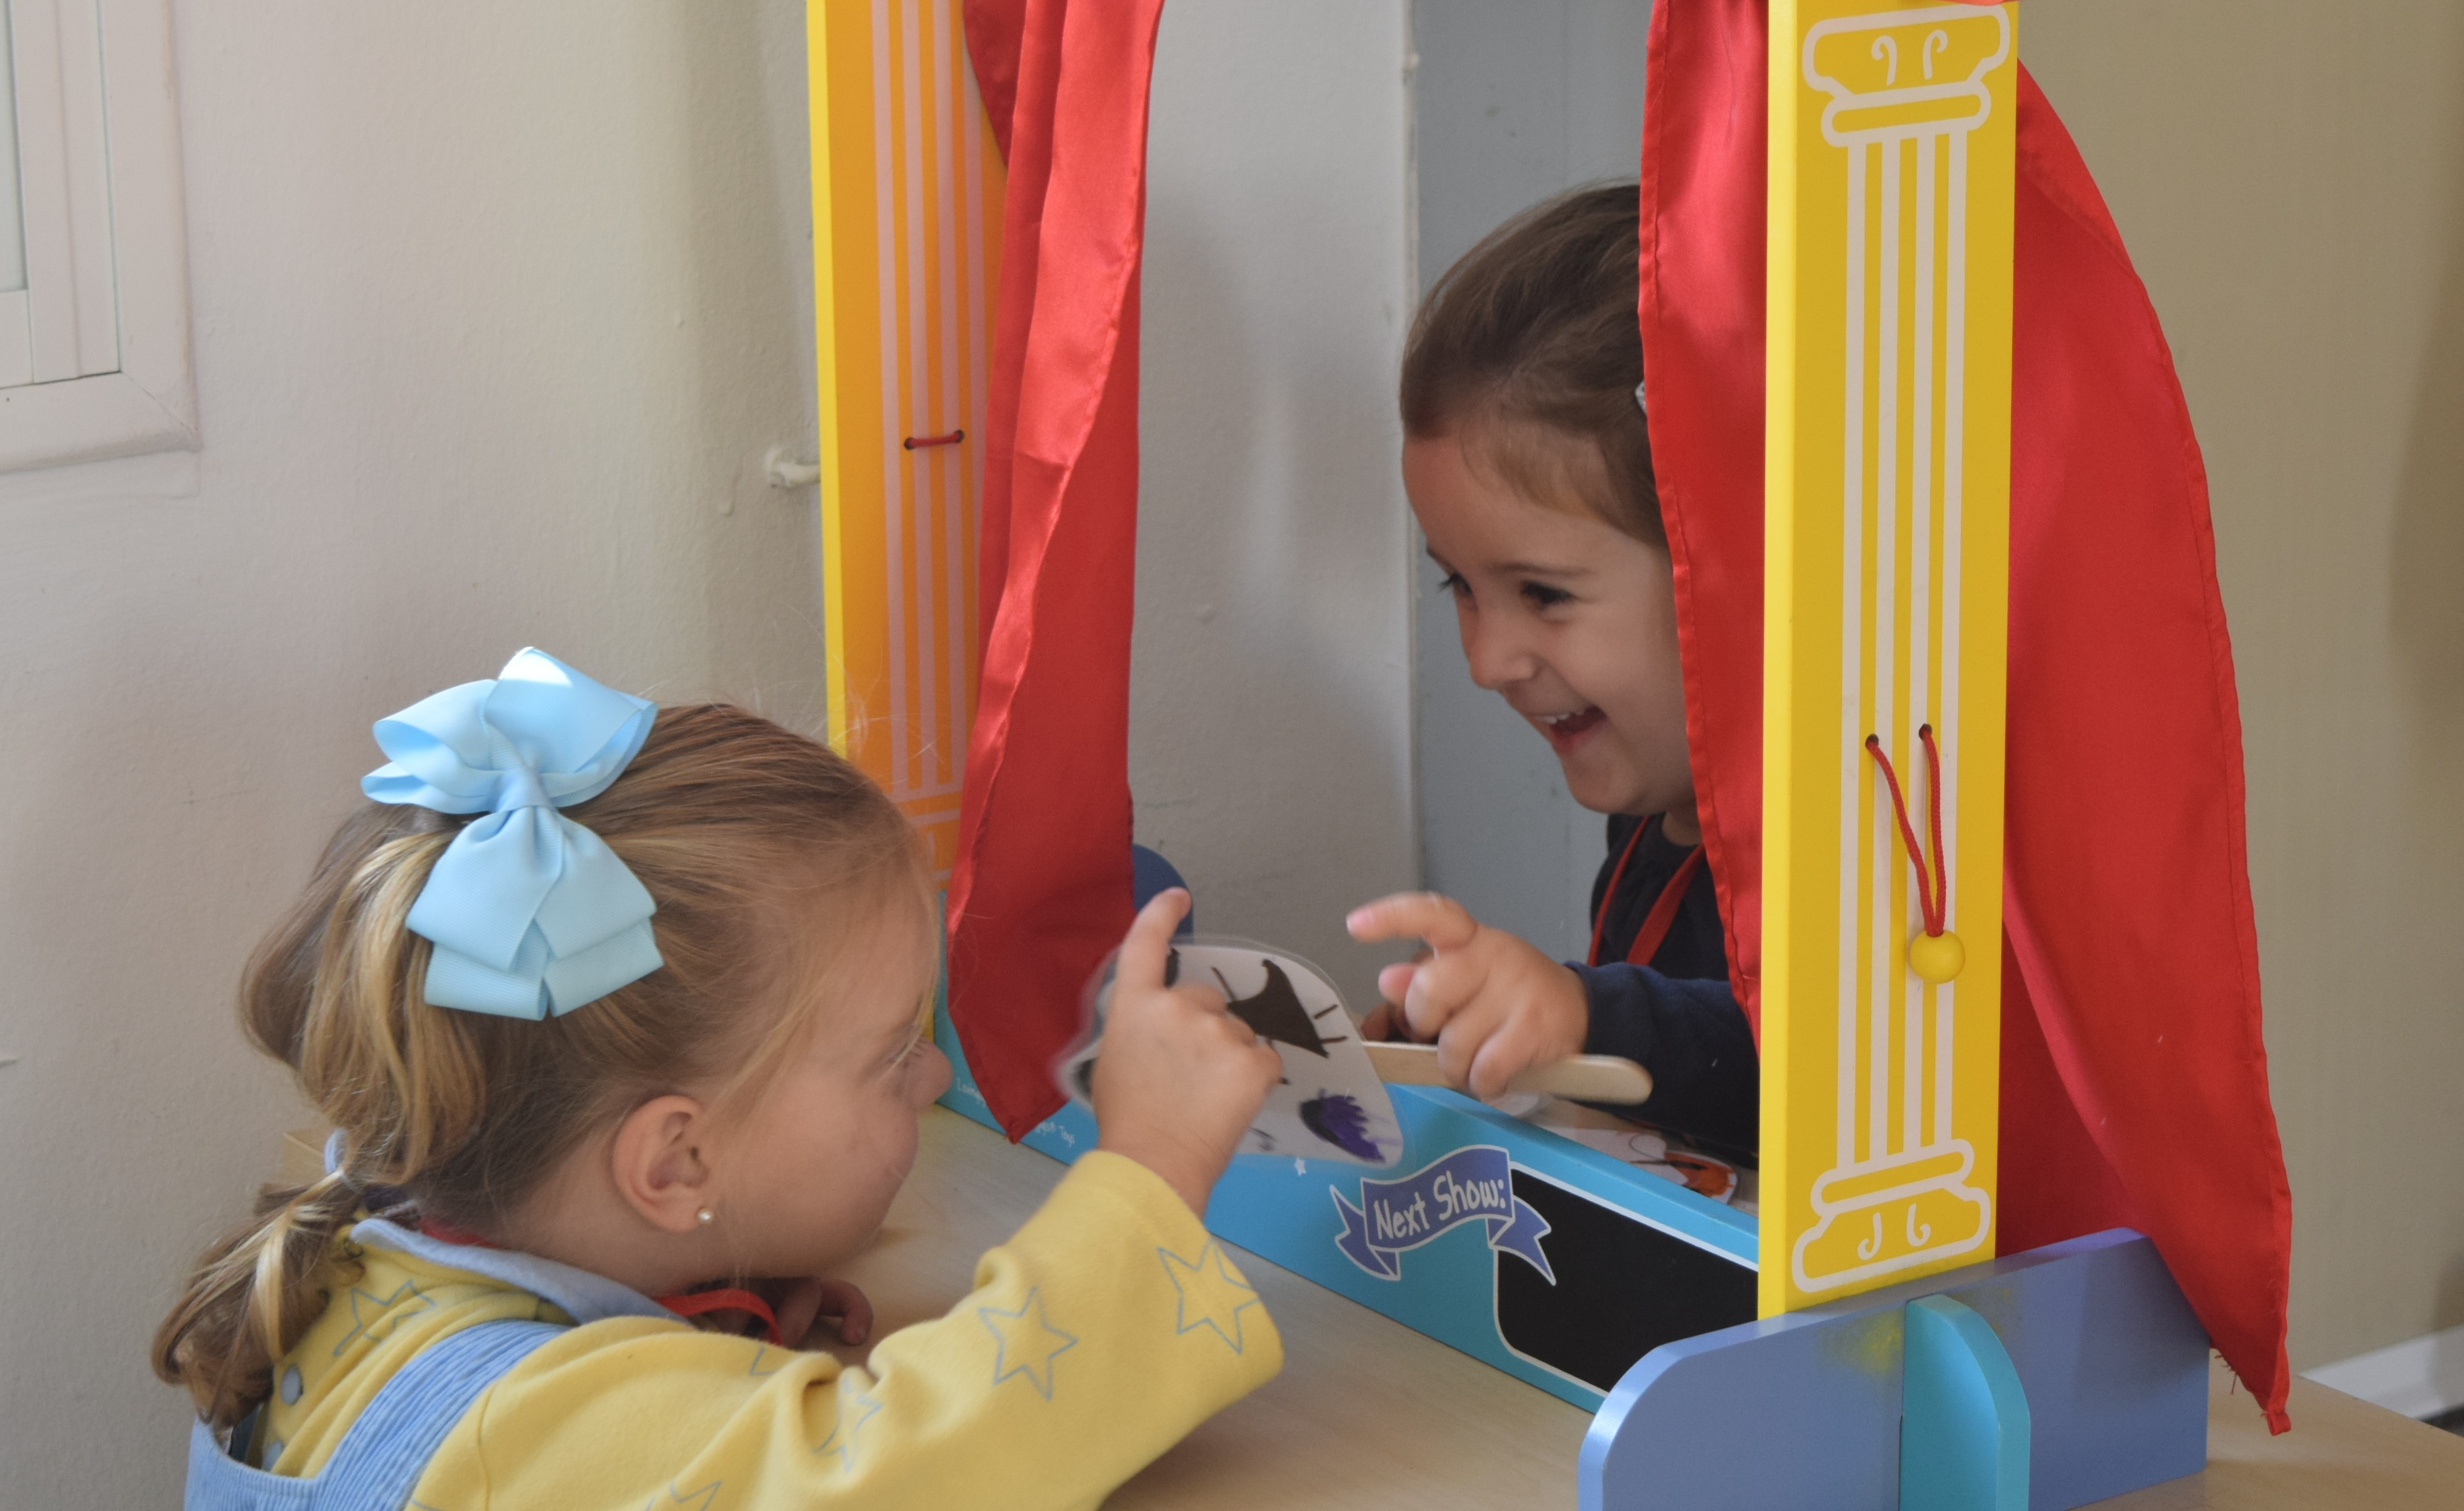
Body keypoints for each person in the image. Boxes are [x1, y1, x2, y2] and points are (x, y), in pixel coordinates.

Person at [156, 649, 1284, 1509]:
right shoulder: (529, 1435)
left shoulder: (363, 1254)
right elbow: (932, 1468)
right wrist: (1154, 1165)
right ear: (677, 1163)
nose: (932, 1072)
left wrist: (694, 1309)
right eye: (890, 1055)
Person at [1347, 184, 1757, 1154]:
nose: (1487, 661)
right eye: (1461, 584)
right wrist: (1499, 1041)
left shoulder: (1866, 852)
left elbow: (1795, 1062)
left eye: (1543, 593)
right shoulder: (1652, 808)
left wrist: (1586, 1015)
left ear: (1739, 577)